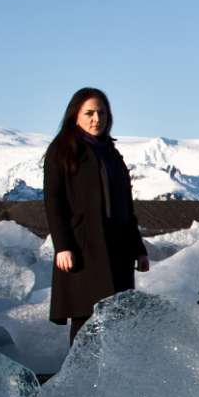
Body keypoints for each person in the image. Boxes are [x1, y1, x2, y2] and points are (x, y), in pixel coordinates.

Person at [43, 88, 149, 344]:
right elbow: (54, 201)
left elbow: (126, 206)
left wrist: (138, 248)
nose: (96, 119)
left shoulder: (111, 152)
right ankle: (80, 370)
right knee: (86, 318)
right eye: (89, 113)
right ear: (75, 115)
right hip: (83, 246)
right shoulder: (63, 149)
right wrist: (63, 246)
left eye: (102, 113)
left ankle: (110, 370)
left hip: (117, 247)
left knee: (116, 319)